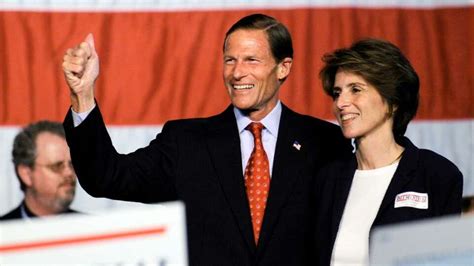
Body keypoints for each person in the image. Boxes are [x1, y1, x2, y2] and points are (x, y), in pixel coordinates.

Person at [61, 14, 351, 265]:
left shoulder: (324, 142)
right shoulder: (187, 143)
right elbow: (107, 176)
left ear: (283, 67)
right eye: (230, 60)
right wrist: (82, 96)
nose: (237, 73)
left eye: (251, 60)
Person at [314, 38, 463, 266]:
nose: (341, 103)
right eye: (337, 93)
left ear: (392, 102)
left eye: (355, 89)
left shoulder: (436, 175)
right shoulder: (327, 178)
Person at [0, 121, 78, 221]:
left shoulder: (95, 230)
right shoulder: (4, 231)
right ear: (26, 174)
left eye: (72, 165)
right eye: (57, 166)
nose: (69, 173)